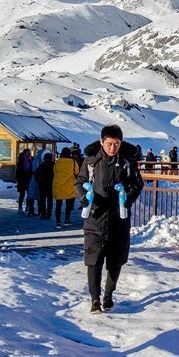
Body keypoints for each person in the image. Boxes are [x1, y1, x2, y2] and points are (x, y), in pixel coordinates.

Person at [76, 124, 145, 313]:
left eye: (116, 144)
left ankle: (108, 296)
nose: (113, 147)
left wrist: (126, 197)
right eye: (109, 143)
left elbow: (137, 184)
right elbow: (80, 182)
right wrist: (85, 197)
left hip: (119, 219)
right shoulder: (90, 162)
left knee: (115, 261)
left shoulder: (126, 162)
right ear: (101, 142)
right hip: (95, 218)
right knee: (94, 260)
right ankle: (94, 299)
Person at [52, 147, 79, 228]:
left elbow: (54, 172)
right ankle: (67, 219)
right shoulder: (73, 162)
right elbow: (77, 172)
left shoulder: (57, 163)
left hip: (58, 185)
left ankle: (58, 222)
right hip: (69, 186)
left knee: (58, 205)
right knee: (68, 205)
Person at [34, 150, 55, 219]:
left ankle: (43, 214)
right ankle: (49, 214)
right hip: (51, 184)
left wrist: (38, 181)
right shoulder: (54, 165)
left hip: (42, 184)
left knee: (42, 200)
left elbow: (36, 174)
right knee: (50, 200)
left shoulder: (42, 165)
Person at [15, 148, 34, 213]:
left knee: (29, 194)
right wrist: (18, 179)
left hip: (29, 179)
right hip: (22, 179)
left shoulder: (32, 160)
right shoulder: (21, 160)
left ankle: (27, 206)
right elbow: (18, 171)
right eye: (28, 153)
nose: (29, 154)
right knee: (22, 194)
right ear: (25, 153)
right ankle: (20, 207)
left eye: (30, 153)